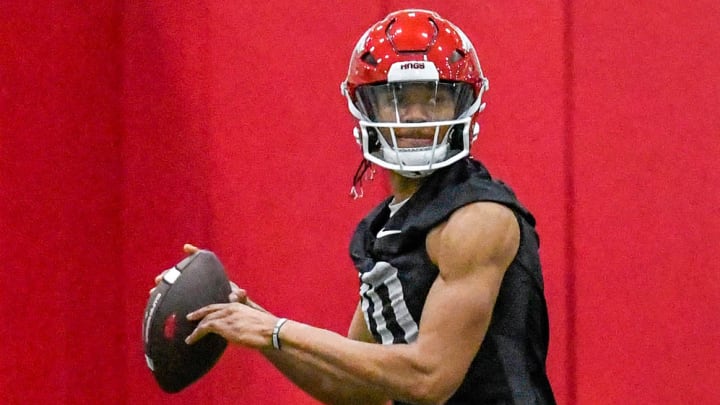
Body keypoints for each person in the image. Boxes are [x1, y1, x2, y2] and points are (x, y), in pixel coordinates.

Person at [175, 9, 556, 404]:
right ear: (365, 108)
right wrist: (247, 316)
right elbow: (354, 391)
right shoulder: (389, 227)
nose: (416, 117)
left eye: (435, 99)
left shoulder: (479, 218)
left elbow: (430, 378)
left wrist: (274, 329)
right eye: (397, 101)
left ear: (463, 106)